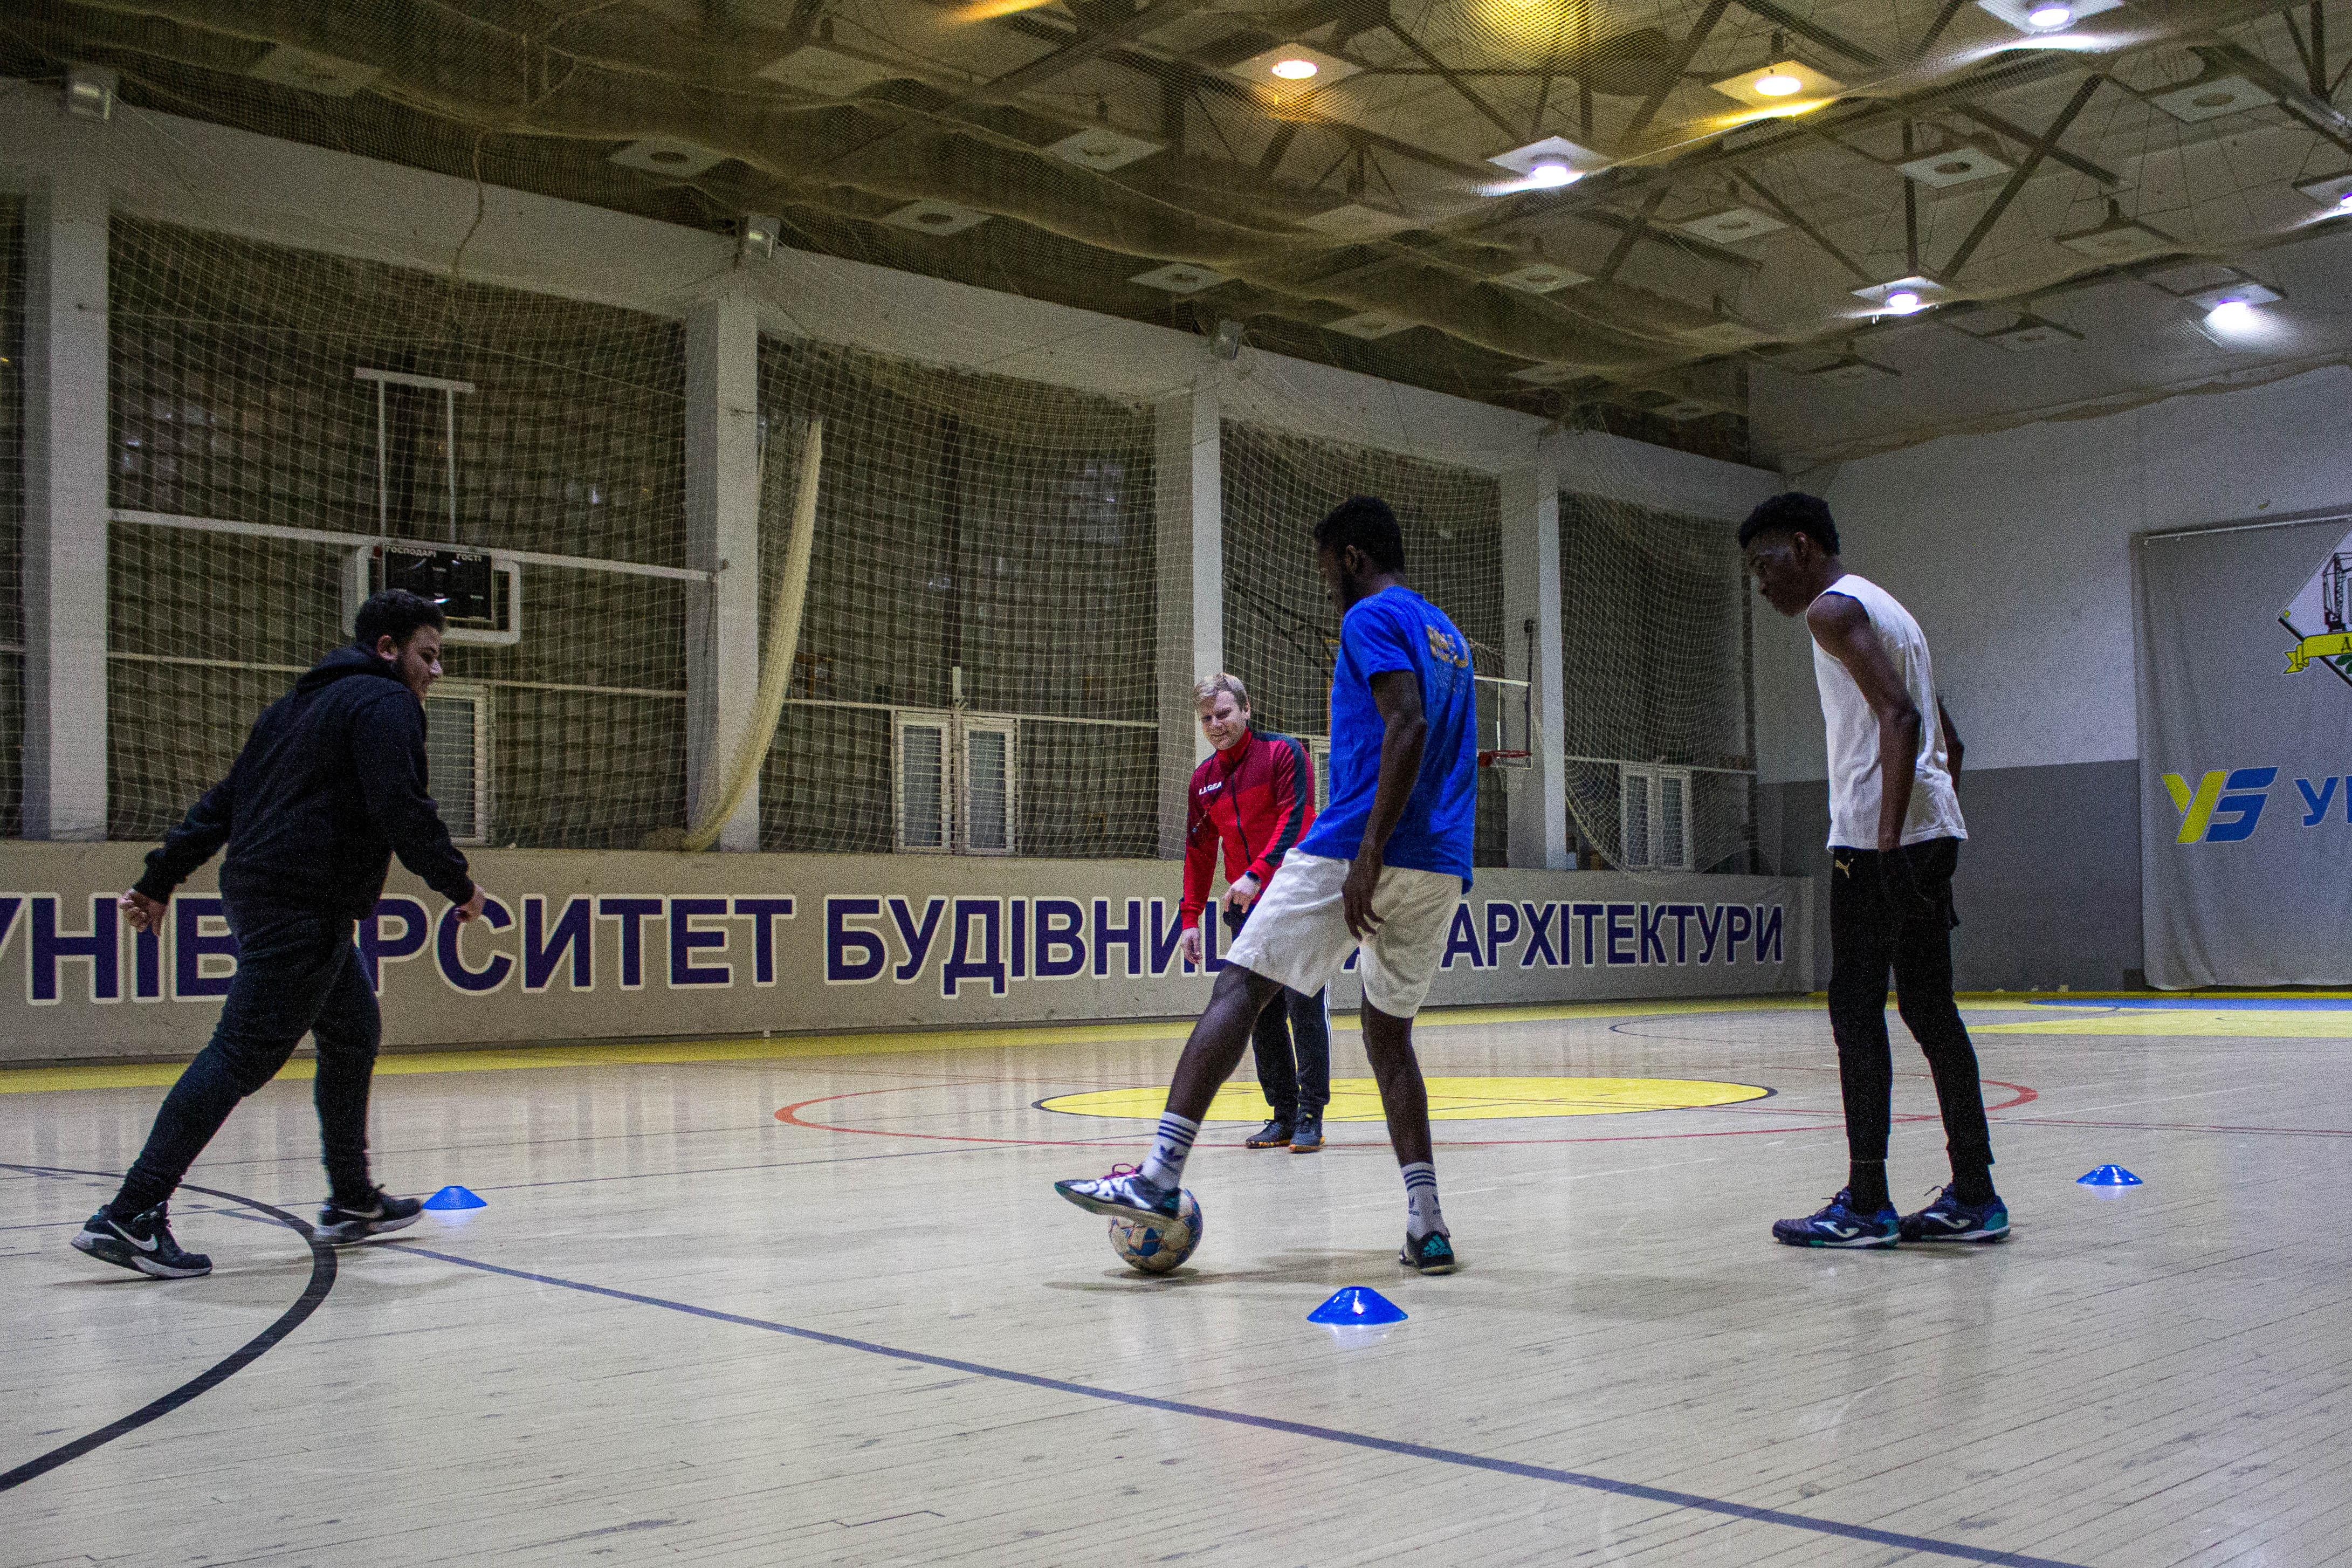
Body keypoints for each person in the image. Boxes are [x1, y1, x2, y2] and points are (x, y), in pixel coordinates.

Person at [1058, 496, 1479, 1274]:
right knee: (1388, 1036)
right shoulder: (1447, 634)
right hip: (1443, 861)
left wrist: (1368, 852)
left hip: (1358, 844)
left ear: (1351, 557)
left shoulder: (1370, 616)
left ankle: (1157, 1178)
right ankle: (1428, 1225)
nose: (1326, 586)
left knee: (1239, 987)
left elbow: (1408, 723)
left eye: (1326, 570)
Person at [72, 589, 487, 1280]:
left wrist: (159, 878)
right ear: (388, 649)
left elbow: (223, 804)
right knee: (241, 1054)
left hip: (267, 892)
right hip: (304, 901)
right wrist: (458, 883)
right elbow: (401, 807)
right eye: (428, 655)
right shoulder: (387, 703)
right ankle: (132, 1211)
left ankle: (352, 1199)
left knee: (352, 1030)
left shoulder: (294, 708)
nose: (436, 671)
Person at [1739, 492, 2006, 1248]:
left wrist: (1887, 844)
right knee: (1930, 1011)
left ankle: (1865, 1203)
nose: (1761, 583)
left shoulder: (1832, 611)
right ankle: (1975, 1195)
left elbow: (1900, 717)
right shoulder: (1892, 611)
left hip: (1876, 842)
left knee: (1855, 1012)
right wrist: (1932, 832)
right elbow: (1950, 740)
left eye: (1764, 563)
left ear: (1802, 546)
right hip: (1929, 829)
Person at [1179, 673, 1332, 1153]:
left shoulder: (1284, 753)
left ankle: (1311, 1114)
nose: (1215, 724)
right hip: (1246, 908)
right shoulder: (1203, 781)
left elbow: (1297, 818)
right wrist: (1189, 919)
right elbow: (1199, 852)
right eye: (1207, 718)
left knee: (1304, 1007)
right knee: (1258, 1015)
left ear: (1246, 709)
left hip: (1297, 896)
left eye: (1224, 714)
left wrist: (1257, 873)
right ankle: (1283, 1114)